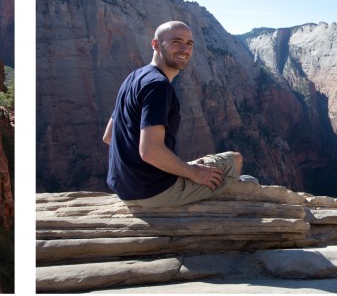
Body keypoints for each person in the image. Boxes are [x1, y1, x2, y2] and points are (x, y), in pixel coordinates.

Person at [103, 21, 243, 207]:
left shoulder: (134, 77)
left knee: (198, 165)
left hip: (125, 188)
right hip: (154, 191)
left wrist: (176, 167)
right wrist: (193, 173)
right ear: (155, 44)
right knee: (235, 160)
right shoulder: (158, 86)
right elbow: (150, 151)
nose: (184, 49)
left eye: (189, 43)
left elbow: (109, 136)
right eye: (176, 41)